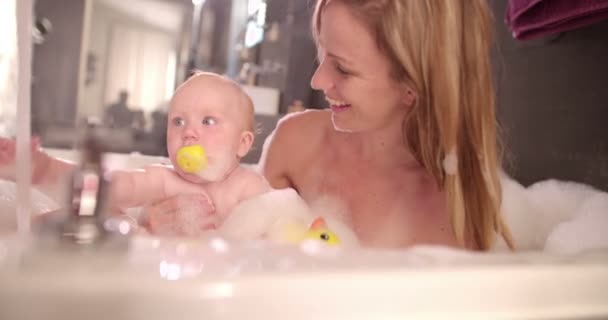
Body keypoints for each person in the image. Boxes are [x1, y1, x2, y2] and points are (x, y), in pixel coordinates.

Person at [148, 0, 514, 250]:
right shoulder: (297, 145)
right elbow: (238, 259)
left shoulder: (458, 210)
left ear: (412, 85)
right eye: (322, 52)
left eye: (342, 67)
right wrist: (159, 229)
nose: (317, 81)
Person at [0, 72, 272, 236]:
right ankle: (16, 236)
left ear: (242, 144)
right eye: (178, 121)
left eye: (208, 121)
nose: (189, 133)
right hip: (164, 274)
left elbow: (279, 232)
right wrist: (42, 168)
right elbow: (106, 187)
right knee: (100, 215)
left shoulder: (250, 188)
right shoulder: (163, 180)